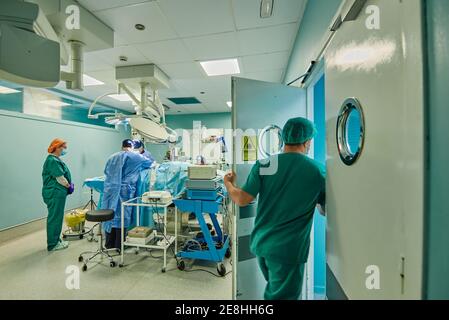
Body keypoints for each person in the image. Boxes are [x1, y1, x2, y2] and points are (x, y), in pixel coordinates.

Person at [224, 117, 326, 300]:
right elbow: (324, 210)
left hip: (262, 245)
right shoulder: (318, 171)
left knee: (274, 289)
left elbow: (242, 199)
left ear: (284, 138)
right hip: (288, 251)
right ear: (307, 141)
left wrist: (228, 184)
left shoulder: (265, 165)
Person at [101, 139, 152, 250]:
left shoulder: (112, 157)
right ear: (132, 147)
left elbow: (106, 172)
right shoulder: (136, 157)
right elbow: (150, 163)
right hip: (125, 191)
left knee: (109, 215)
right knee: (122, 217)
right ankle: (119, 245)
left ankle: (109, 244)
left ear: (122, 146)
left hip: (110, 190)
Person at [42, 138, 75, 252]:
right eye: (63, 148)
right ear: (57, 147)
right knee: (55, 218)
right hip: (55, 192)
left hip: (57, 192)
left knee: (57, 217)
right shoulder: (52, 160)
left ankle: (56, 240)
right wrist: (68, 186)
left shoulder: (55, 159)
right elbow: (60, 178)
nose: (64, 150)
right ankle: (53, 244)